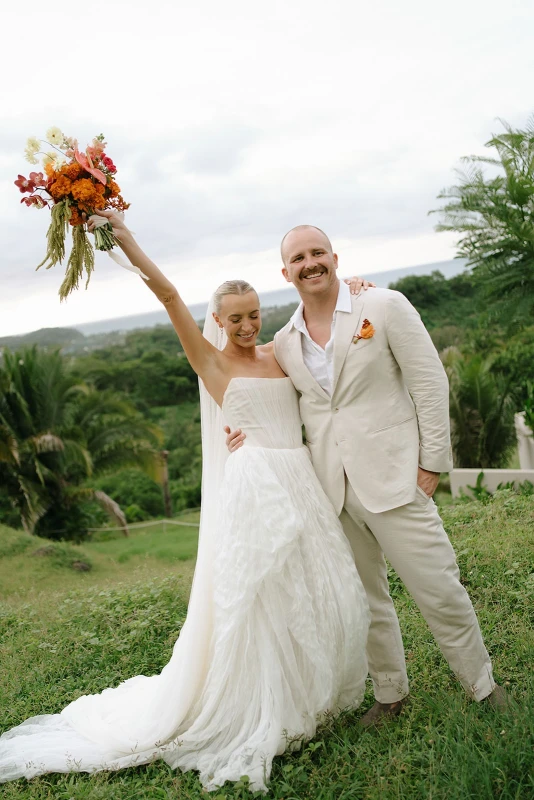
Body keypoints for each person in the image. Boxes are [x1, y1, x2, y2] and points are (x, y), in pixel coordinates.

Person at [0, 211, 371, 793]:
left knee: (313, 586)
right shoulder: (211, 360)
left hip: (298, 478)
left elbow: (328, 326)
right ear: (218, 321)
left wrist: (360, 291)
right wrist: (125, 241)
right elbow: (168, 293)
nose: (247, 325)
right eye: (236, 318)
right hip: (255, 488)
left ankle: (313, 692)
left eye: (254, 314)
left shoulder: (281, 352)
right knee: (260, 598)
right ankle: (265, 704)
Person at [226, 224, 507, 726]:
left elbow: (428, 380)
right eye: (298, 258)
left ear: (334, 257)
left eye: (317, 253)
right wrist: (243, 435)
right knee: (366, 601)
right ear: (285, 272)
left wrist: (431, 464)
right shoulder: (285, 342)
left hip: (398, 477)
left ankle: (482, 686)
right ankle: (390, 693)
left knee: (439, 588)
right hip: (331, 490)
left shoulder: (383, 306)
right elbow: (273, 399)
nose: (309, 263)